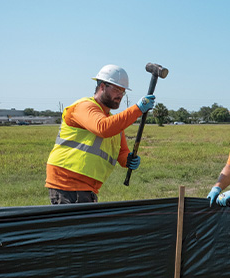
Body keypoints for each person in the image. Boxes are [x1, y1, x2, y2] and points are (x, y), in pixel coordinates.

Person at [45, 64, 155, 204]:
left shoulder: (112, 120)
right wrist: (137, 109)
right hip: (67, 183)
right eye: (117, 90)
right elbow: (102, 128)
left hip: (88, 187)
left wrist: (128, 159)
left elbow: (122, 152)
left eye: (123, 92)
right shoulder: (84, 107)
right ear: (102, 86)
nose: (120, 95)